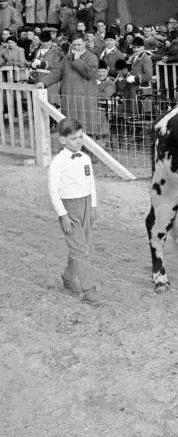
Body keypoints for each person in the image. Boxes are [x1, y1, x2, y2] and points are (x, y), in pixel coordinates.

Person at [47, 117, 100, 305]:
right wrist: (63, 216)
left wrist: (93, 205)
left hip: (85, 204)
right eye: (74, 138)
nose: (79, 141)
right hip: (69, 208)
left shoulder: (85, 158)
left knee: (82, 246)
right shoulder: (58, 162)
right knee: (81, 251)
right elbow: (53, 191)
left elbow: (90, 182)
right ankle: (89, 290)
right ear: (63, 140)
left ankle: (68, 278)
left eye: (81, 137)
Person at [37, 34, 99, 134]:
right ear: (71, 45)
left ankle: (84, 149)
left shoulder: (92, 57)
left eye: (79, 44)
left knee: (84, 129)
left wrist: (77, 60)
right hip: (68, 97)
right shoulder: (67, 57)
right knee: (70, 128)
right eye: (74, 45)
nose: (76, 47)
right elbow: (57, 72)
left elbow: (89, 74)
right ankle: (70, 148)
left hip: (84, 99)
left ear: (84, 43)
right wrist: (43, 82)